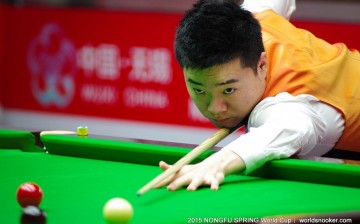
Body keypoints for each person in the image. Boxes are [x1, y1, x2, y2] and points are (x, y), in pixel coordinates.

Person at [156, 0, 360, 191]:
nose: (215, 108)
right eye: (199, 90)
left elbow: (288, 129)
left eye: (228, 90)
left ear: (262, 65)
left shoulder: (290, 106)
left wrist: (215, 164)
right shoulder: (252, 17)